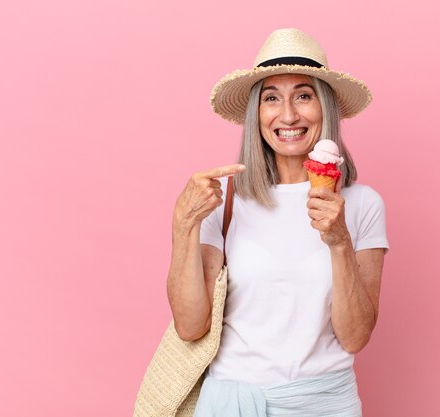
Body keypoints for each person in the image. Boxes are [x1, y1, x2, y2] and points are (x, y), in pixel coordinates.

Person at [167, 28, 389, 416]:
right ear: (257, 113)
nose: (288, 115)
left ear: (325, 108)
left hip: (323, 404)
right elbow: (190, 327)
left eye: (304, 96)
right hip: (232, 403)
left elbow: (355, 337)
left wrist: (338, 241)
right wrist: (183, 224)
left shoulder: (361, 204)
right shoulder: (224, 200)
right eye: (272, 98)